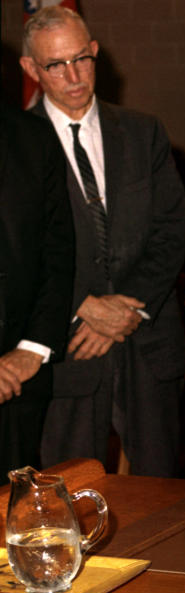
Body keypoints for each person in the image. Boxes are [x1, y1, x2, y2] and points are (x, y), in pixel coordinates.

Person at [20, 6, 185, 477]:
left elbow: (171, 230)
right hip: (68, 348)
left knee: (164, 493)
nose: (73, 76)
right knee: (66, 493)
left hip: (148, 344)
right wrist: (83, 306)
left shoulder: (143, 131)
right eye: (55, 65)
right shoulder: (14, 144)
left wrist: (126, 310)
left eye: (81, 59)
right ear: (31, 69)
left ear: (96, 52)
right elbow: (16, 254)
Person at [0, 105, 75, 481]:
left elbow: (57, 251)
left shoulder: (34, 136)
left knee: (15, 525)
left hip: (19, 379)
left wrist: (32, 348)